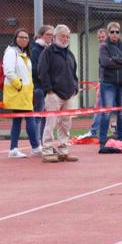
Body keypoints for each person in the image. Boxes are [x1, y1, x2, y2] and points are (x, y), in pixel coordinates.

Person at [38, 25, 80, 163]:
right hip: (53, 95)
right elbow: (42, 72)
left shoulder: (69, 53)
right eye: (63, 36)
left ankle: (63, 151)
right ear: (55, 36)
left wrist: (75, 87)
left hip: (68, 95)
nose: (65, 39)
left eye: (67, 36)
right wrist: (49, 90)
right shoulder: (48, 52)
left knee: (66, 124)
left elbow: (74, 72)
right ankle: (47, 151)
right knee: (51, 124)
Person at [2, 28, 40, 158]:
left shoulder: (25, 54)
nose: (23, 40)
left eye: (26, 38)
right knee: (30, 119)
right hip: (18, 93)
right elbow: (8, 71)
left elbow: (26, 74)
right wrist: (19, 86)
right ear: (15, 38)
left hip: (26, 93)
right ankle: (35, 147)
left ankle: (14, 148)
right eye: (21, 37)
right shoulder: (11, 52)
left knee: (18, 121)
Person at [97, 22, 122, 154]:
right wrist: (121, 60)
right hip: (108, 83)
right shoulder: (103, 47)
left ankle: (121, 139)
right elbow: (106, 62)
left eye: (117, 32)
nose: (115, 34)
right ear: (108, 33)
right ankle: (102, 140)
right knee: (106, 112)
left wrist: (115, 60)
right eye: (112, 32)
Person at [30, 25, 53, 144]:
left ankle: (45, 142)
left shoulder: (51, 49)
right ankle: (36, 143)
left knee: (47, 116)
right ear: (41, 35)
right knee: (38, 116)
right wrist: (44, 78)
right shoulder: (36, 49)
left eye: (51, 35)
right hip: (39, 87)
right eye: (48, 35)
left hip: (49, 87)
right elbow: (35, 70)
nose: (50, 37)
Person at [83, 28, 108, 140]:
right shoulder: (101, 48)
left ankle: (93, 131)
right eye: (99, 37)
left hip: (108, 82)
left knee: (100, 106)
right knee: (102, 106)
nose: (101, 39)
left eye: (103, 37)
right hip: (104, 81)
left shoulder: (108, 48)